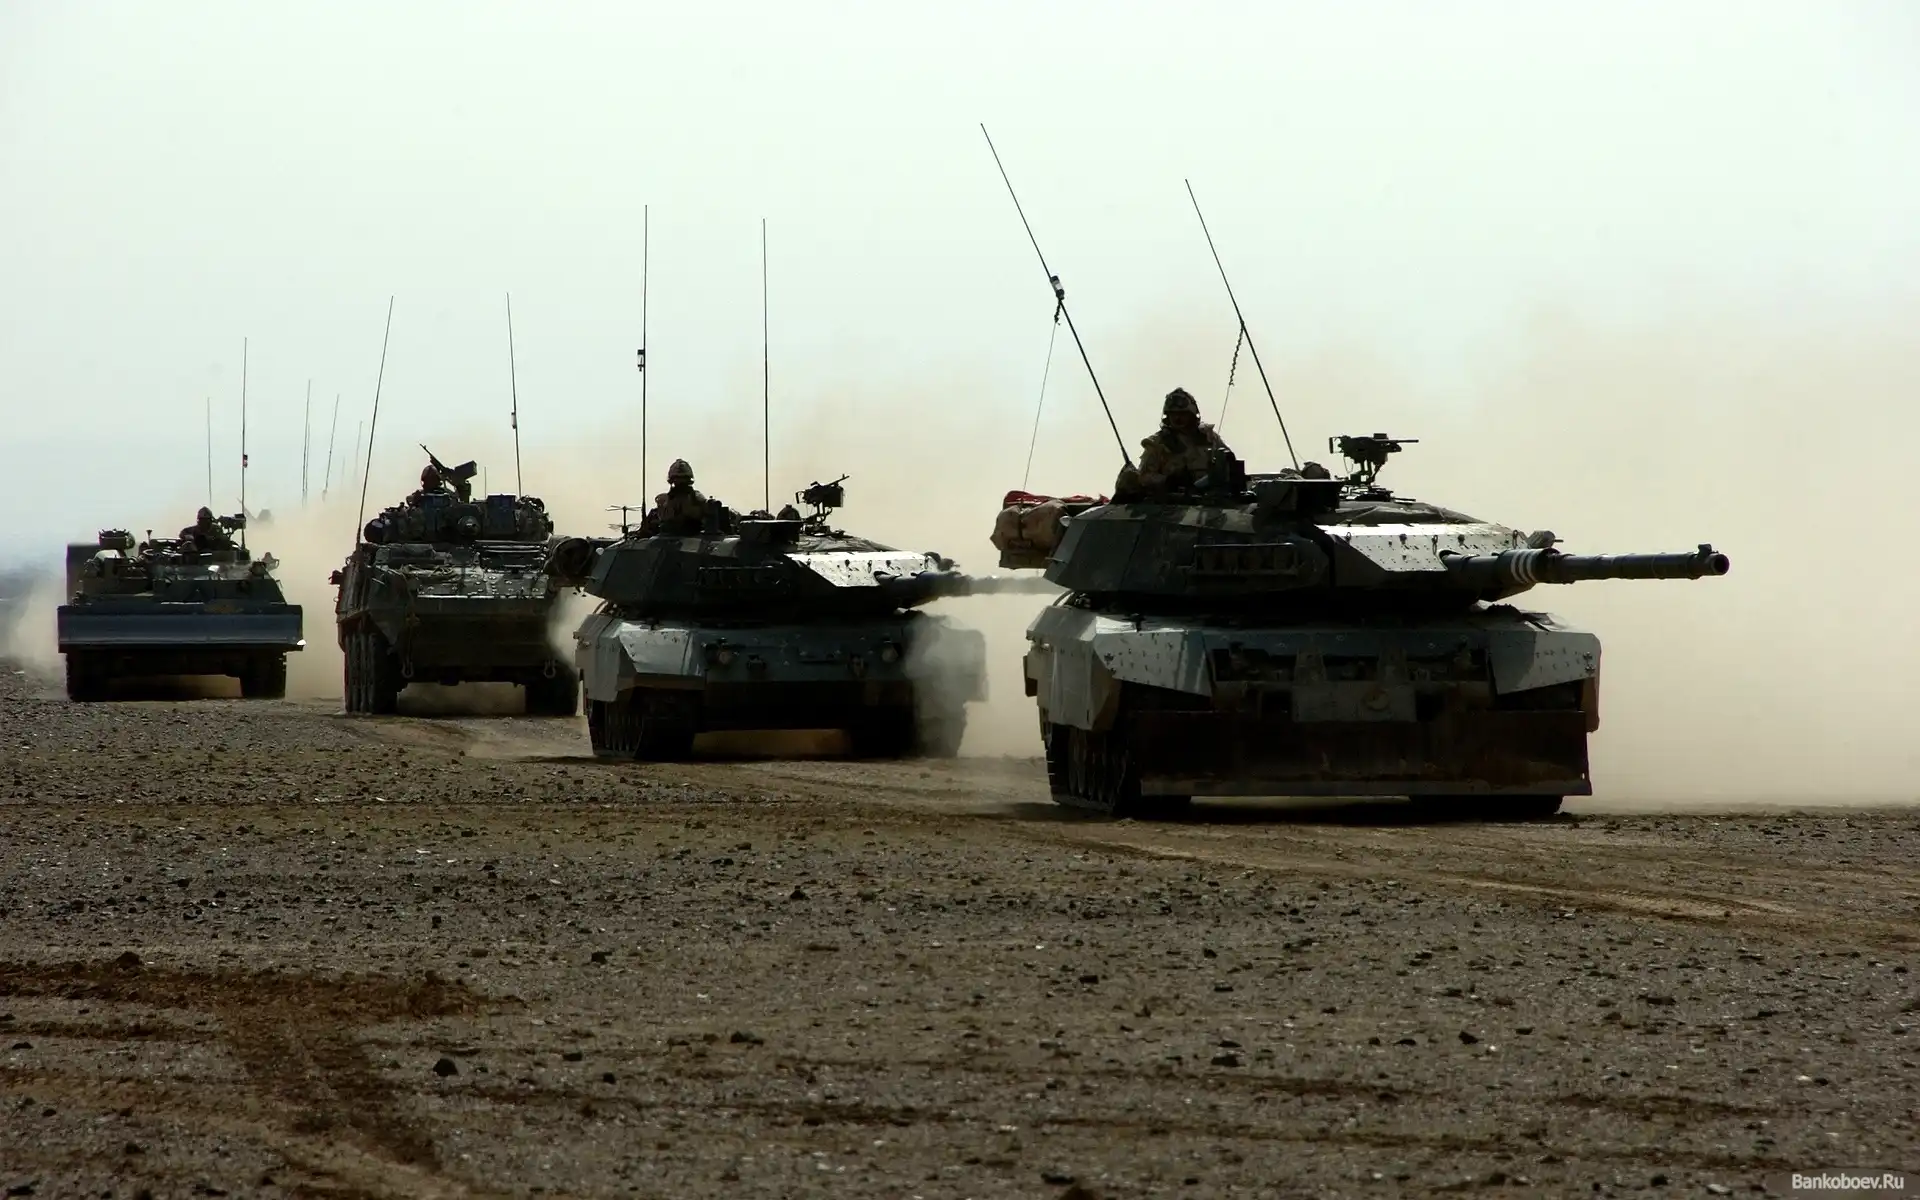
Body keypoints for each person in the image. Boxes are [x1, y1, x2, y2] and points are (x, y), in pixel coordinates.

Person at [1115, 387, 1233, 497]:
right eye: (1173, 414)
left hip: (1210, 498)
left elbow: (1229, 462)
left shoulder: (1208, 437)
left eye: (1182, 414)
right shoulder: (1157, 443)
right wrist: (1168, 480)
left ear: (1191, 415)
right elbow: (1144, 477)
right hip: (1172, 502)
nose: (1177, 418)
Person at [642, 459, 718, 535]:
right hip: (666, 535)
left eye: (683, 478)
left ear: (688, 480)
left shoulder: (696, 498)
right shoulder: (664, 500)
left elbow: (707, 513)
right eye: (677, 478)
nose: (680, 481)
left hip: (692, 534)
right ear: (672, 480)